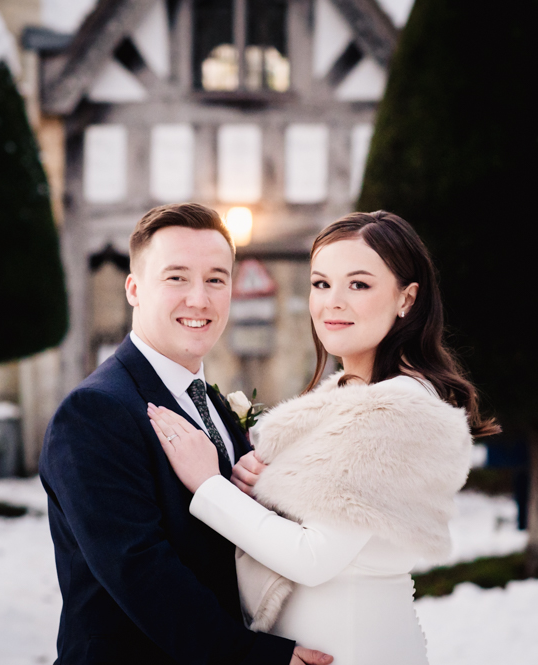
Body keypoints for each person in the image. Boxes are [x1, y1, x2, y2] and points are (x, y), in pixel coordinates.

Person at [151, 211, 501, 664]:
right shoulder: (344, 397)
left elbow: (313, 556)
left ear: (406, 299)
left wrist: (209, 485)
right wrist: (264, 486)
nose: (333, 302)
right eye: (321, 284)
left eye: (359, 285)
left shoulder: (394, 410)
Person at [39, 203, 332, 665]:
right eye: (176, 277)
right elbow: (138, 568)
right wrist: (255, 657)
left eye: (216, 279)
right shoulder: (95, 411)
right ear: (134, 288)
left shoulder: (212, 403)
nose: (199, 298)